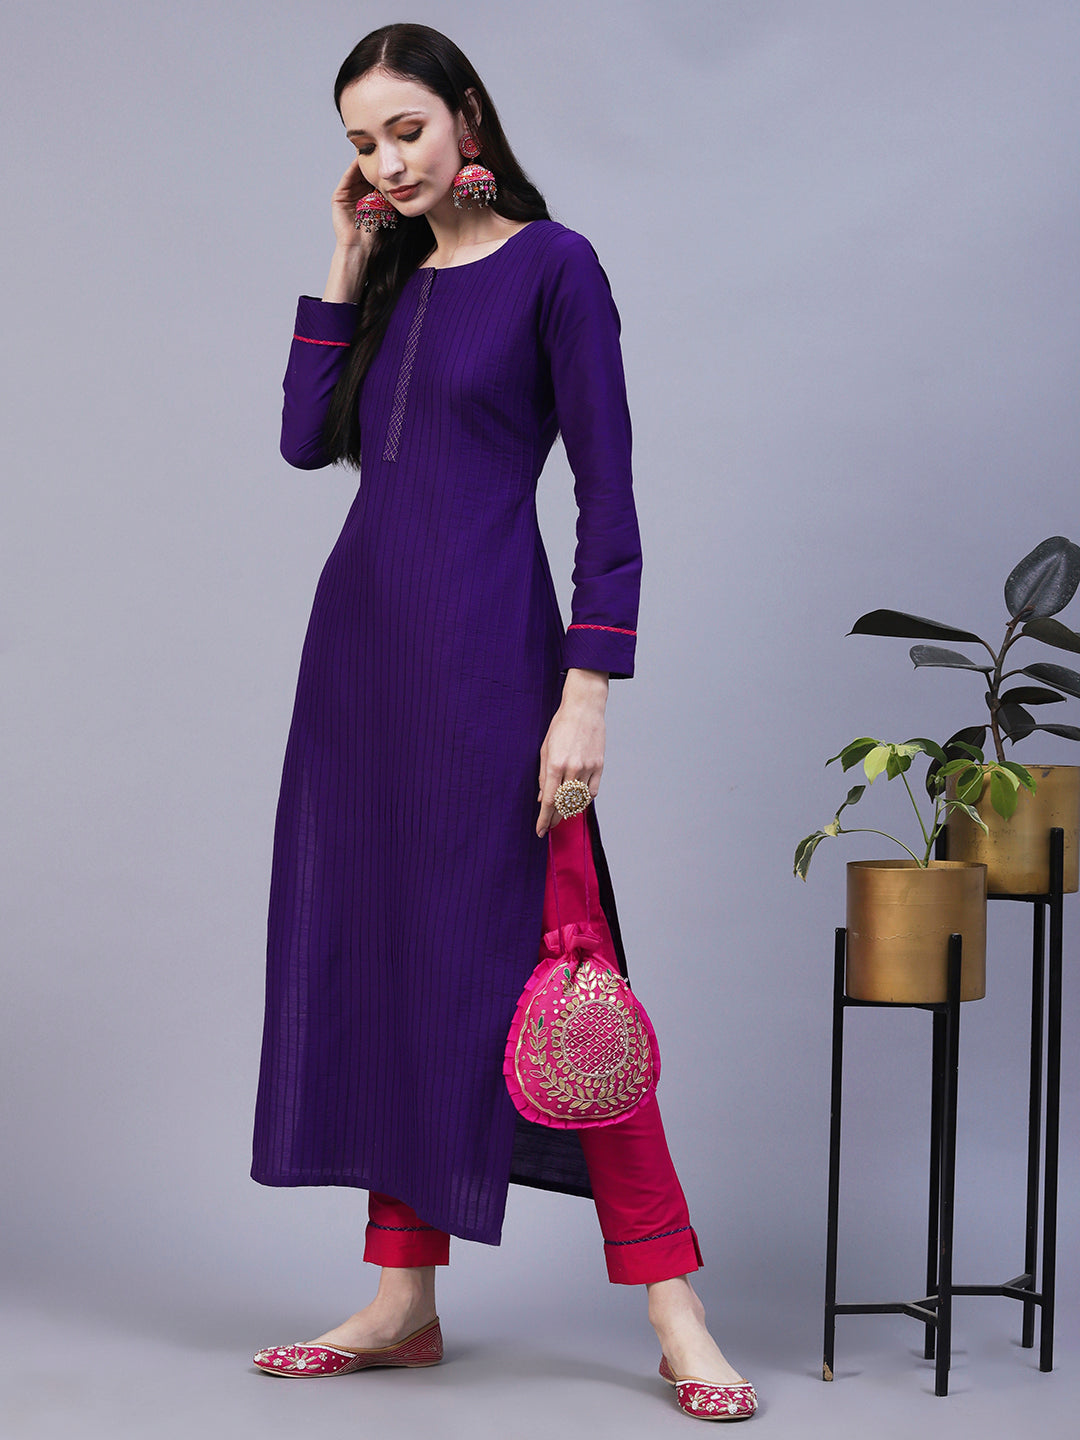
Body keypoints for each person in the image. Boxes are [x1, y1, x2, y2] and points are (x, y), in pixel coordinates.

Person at [250, 23, 757, 1422]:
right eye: (361, 144)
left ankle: (675, 1305)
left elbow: (610, 493)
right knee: (393, 957)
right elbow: (305, 439)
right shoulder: (392, 278)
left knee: (567, 969)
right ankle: (402, 1300)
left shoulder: (556, 267)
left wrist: (586, 694)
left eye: (406, 130)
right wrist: (345, 260)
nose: (386, 163)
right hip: (361, 671)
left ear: (467, 114)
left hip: (494, 664)